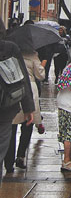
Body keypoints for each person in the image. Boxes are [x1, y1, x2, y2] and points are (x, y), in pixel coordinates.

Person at [0, 19, 34, 182]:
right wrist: (28, 107)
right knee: (2, 144)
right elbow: (22, 78)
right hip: (5, 106)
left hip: (6, 108)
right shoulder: (9, 47)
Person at [4, 46, 45, 172]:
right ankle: (21, 156)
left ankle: (9, 161)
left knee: (11, 126)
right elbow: (41, 75)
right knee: (28, 124)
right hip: (29, 90)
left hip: (12, 90)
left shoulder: (10, 52)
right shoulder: (32, 55)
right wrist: (42, 63)